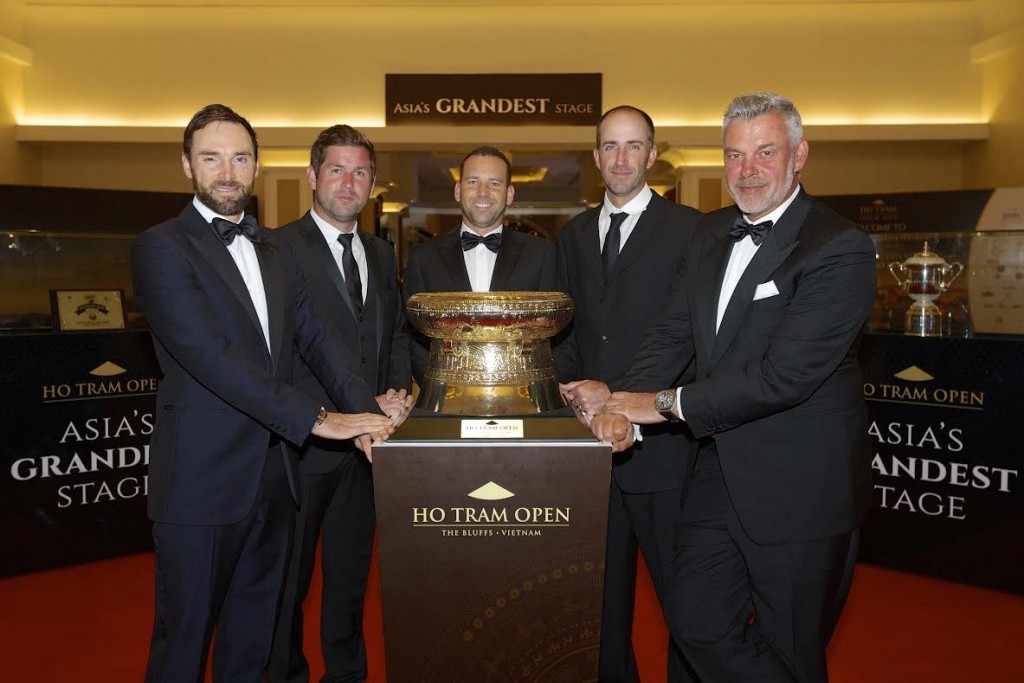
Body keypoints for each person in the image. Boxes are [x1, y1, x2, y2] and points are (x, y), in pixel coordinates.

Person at [590, 92, 876, 682]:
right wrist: (622, 402)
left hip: (800, 485)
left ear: (799, 155)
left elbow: (784, 376)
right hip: (718, 471)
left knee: (791, 645)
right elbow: (672, 331)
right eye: (734, 156)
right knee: (693, 619)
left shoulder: (838, 247)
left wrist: (664, 405)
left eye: (764, 153)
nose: (747, 171)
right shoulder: (710, 233)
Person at [130, 104, 410, 683]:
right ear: (187, 165)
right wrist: (319, 419)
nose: (227, 172)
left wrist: (365, 416)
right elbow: (210, 356)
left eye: (240, 158)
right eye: (212, 158)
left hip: (276, 478)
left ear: (256, 166)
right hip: (202, 483)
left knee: (253, 639)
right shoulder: (160, 247)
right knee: (183, 644)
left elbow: (321, 342)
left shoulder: (275, 252)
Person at [555, 105, 701, 683]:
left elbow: (688, 333)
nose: (620, 158)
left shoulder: (693, 230)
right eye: (610, 147)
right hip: (587, 449)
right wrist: (575, 393)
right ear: (595, 158)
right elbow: (561, 329)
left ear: (653, 154)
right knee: (600, 605)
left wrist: (617, 396)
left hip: (664, 445)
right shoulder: (569, 235)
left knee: (685, 604)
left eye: (632, 146)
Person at [266, 124, 412, 683]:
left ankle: (346, 675)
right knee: (288, 582)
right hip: (305, 443)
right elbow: (279, 352)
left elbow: (394, 333)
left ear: (373, 183)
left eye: (360, 172)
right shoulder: (276, 248)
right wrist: (339, 413)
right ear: (311, 176)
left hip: (369, 449)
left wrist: (395, 395)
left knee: (351, 580)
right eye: (336, 170)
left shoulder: (379, 251)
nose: (348, 183)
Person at [402, 145, 556, 386]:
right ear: (457, 190)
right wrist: (443, 388)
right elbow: (412, 335)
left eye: (494, 183)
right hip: (445, 402)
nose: (482, 193)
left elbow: (554, 333)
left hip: (523, 401)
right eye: (473, 182)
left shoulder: (542, 254)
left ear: (509, 194)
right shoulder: (424, 258)